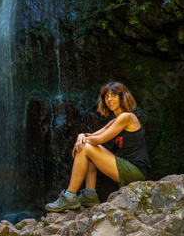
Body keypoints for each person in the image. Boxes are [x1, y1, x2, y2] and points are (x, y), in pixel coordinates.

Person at [45, 81, 151, 212]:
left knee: (85, 147)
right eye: (106, 96)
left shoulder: (127, 117)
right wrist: (81, 135)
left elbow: (99, 139)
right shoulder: (115, 120)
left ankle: (69, 197)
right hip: (126, 167)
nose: (109, 99)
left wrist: (83, 140)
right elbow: (94, 135)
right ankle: (90, 195)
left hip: (135, 171)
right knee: (87, 148)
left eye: (114, 95)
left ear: (122, 97)